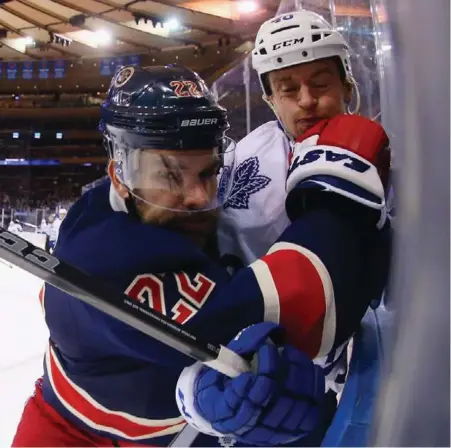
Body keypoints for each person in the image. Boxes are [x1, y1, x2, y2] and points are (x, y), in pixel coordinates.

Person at [12, 63, 390, 447]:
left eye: (207, 173)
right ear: (119, 176)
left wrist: (195, 391)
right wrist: (336, 198)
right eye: (170, 176)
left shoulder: (170, 216)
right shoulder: (99, 254)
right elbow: (304, 304)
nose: (196, 197)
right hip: (70, 434)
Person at [218, 8, 390, 399]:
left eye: (320, 83)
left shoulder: (389, 147)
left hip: (362, 351)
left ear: (347, 85)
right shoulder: (242, 162)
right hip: (270, 363)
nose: (307, 101)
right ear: (270, 98)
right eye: (289, 90)